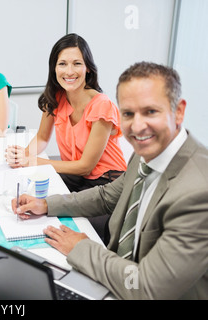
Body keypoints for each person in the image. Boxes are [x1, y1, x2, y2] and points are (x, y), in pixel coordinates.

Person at [12, 62, 208, 299]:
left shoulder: (199, 191)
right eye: (128, 113)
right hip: (115, 281)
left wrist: (82, 249)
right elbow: (106, 196)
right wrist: (46, 204)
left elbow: (147, 287)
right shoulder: (147, 153)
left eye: (150, 112)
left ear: (179, 111)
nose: (137, 126)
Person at [6, 33, 127, 192]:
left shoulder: (102, 106)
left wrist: (32, 161)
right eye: (62, 64)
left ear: (88, 68)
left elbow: (85, 167)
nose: (69, 72)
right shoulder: (55, 98)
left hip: (107, 182)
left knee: (50, 206)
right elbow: (42, 138)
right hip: (77, 178)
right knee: (27, 192)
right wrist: (22, 157)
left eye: (77, 63)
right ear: (54, 68)